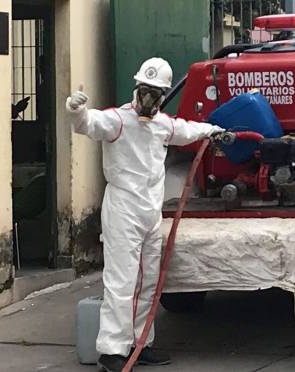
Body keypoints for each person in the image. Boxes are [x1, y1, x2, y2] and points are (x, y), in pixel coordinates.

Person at [66, 57, 225, 372]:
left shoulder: (162, 124)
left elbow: (186, 130)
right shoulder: (117, 121)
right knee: (121, 281)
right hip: (123, 208)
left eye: (155, 92)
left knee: (148, 282)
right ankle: (112, 349)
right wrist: (76, 110)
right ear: (136, 88)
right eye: (145, 90)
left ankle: (141, 342)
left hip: (150, 212)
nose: (148, 97)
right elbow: (88, 125)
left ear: (164, 95)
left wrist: (213, 130)